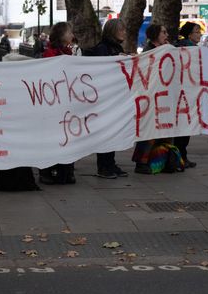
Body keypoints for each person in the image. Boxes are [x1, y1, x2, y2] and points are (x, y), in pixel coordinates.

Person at [84, 18, 129, 179]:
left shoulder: (114, 47)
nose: (124, 32)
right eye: (121, 29)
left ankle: (110, 163)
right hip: (104, 99)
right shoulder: (103, 48)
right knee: (105, 133)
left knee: (113, 132)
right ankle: (104, 166)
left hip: (114, 98)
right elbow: (101, 70)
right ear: (113, 31)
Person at [39, 21, 76, 185]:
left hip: (66, 103)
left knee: (68, 137)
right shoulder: (51, 54)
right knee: (52, 138)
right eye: (69, 33)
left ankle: (66, 170)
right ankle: (46, 171)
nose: (72, 36)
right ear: (61, 35)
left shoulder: (67, 52)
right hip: (53, 104)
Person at [132, 24, 170, 174]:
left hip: (163, 98)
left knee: (163, 131)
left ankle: (160, 161)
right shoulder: (149, 52)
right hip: (150, 98)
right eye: (164, 32)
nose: (166, 35)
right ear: (156, 35)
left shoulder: (166, 49)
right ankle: (141, 162)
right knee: (149, 131)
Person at [172, 22, 202, 168]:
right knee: (184, 128)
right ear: (189, 34)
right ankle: (180, 157)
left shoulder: (180, 46)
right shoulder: (189, 49)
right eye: (197, 32)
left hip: (183, 93)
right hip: (186, 94)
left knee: (183, 127)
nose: (200, 34)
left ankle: (181, 156)